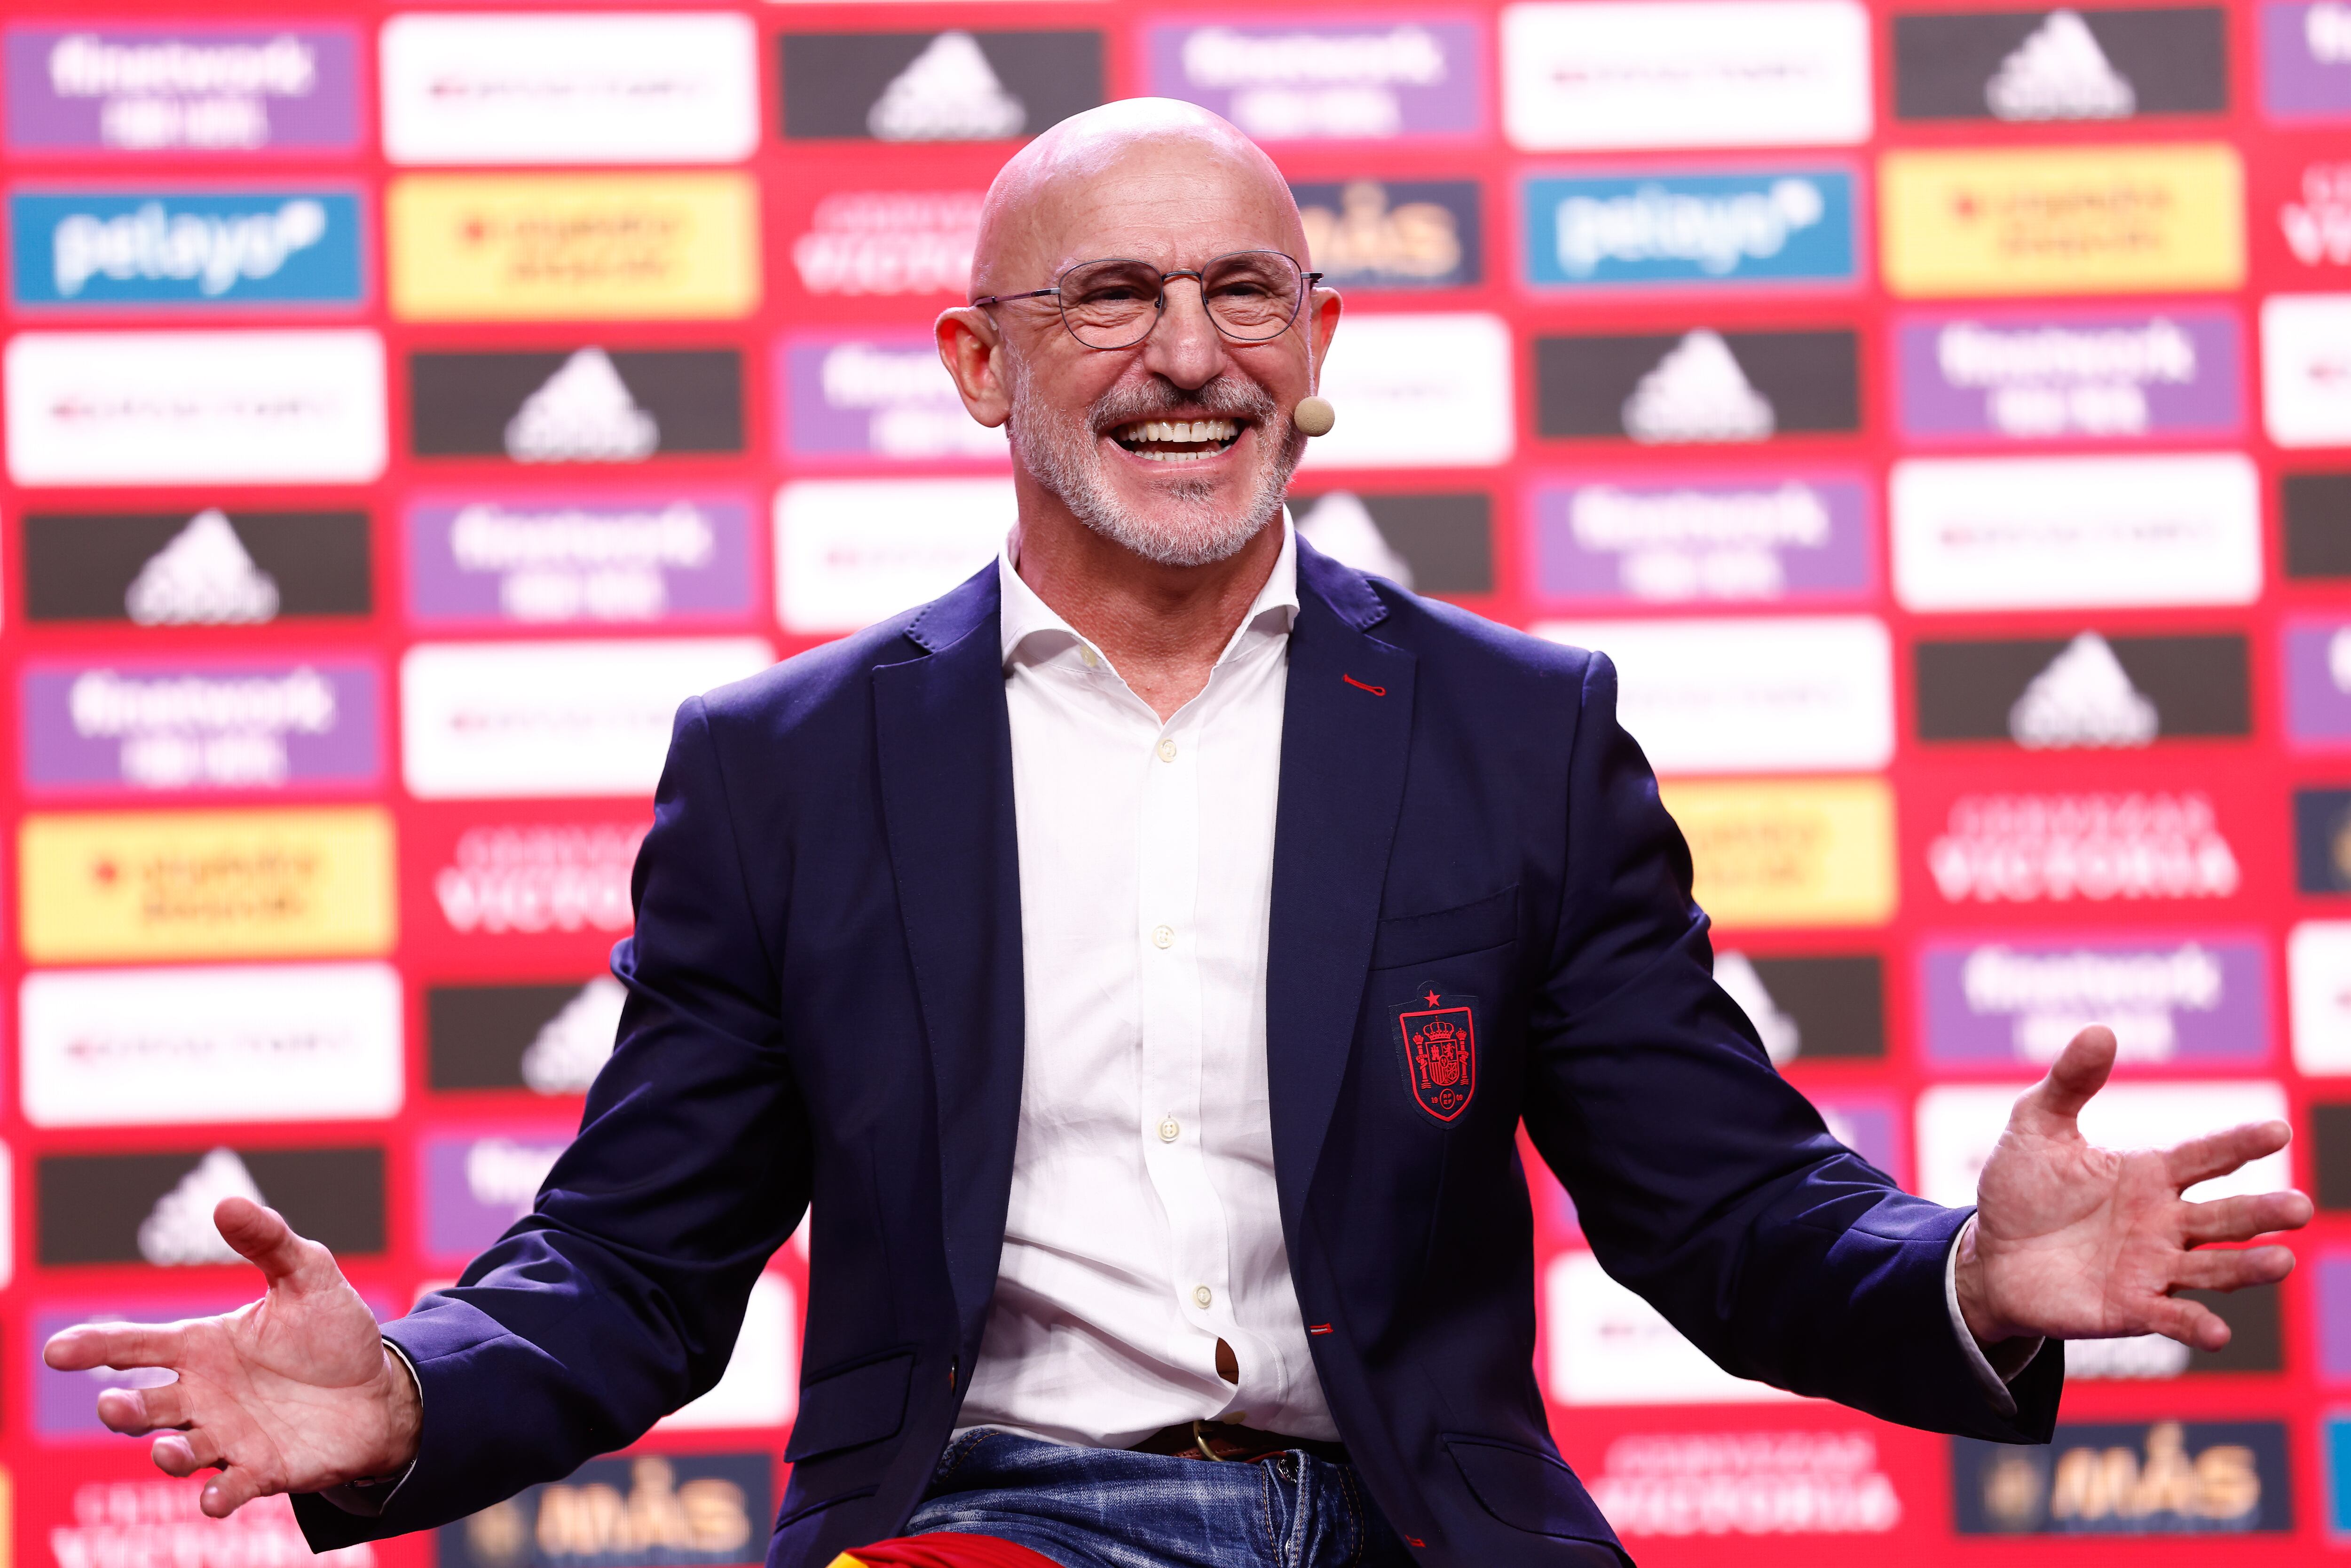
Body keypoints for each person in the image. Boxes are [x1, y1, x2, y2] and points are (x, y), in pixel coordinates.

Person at [45, 100, 2311, 1568]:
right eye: (1106, 296)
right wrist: (413, 1392)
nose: (1185, 353)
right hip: (988, 1522)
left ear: (1317, 348)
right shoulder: (787, 770)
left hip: (1428, 1534)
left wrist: (1959, 1276)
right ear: (973, 365)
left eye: (1244, 293)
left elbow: (1716, 1205)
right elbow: (637, 1266)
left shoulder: (1514, 736)